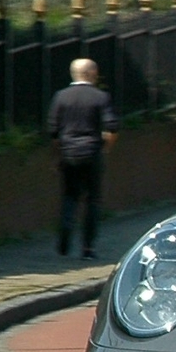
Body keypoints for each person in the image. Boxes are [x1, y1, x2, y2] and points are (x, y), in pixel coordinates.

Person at [48, 57, 117, 258]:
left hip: (68, 153)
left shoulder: (61, 97)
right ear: (91, 73)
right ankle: (87, 247)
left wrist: (57, 156)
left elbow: (53, 131)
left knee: (69, 197)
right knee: (92, 200)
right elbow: (112, 128)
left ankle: (64, 241)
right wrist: (106, 147)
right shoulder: (100, 97)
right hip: (92, 152)